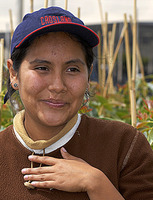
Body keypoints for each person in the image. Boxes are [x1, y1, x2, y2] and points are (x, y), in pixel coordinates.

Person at [0, 6, 153, 200]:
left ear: (88, 74)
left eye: (72, 69)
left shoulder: (124, 145)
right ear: (14, 73)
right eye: (42, 67)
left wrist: (97, 184)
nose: (57, 86)